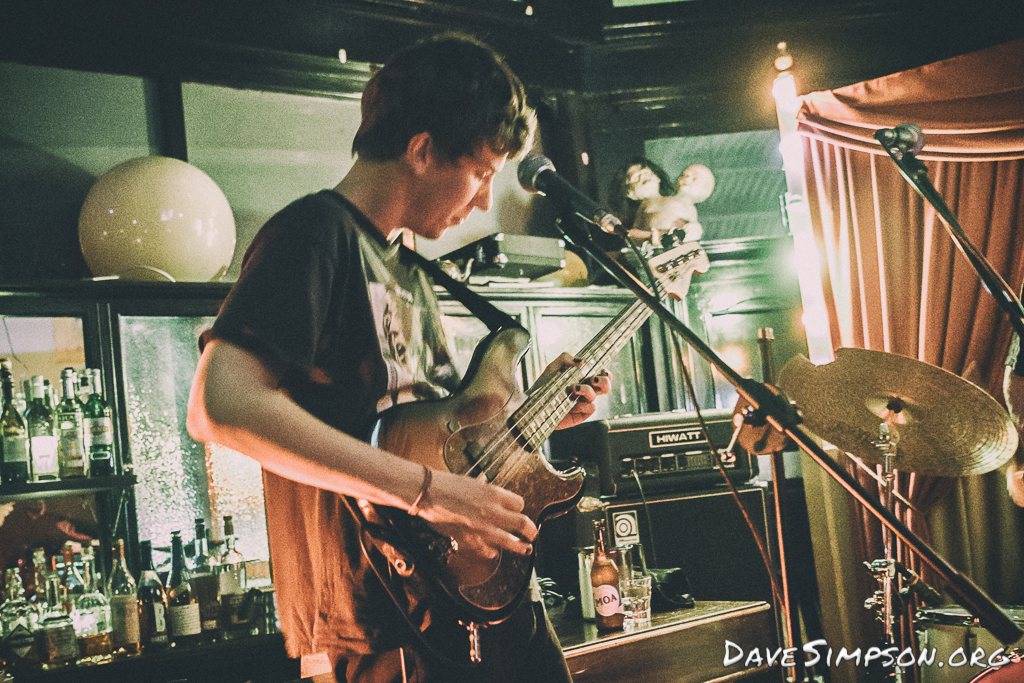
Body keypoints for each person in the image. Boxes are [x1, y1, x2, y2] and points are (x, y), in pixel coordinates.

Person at [186, 33, 611, 683]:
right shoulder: (314, 232)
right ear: (422, 149)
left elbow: (425, 433)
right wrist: (427, 492)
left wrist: (533, 423)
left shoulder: (408, 265)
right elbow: (222, 405)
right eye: (481, 174)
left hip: (473, 599)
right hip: (384, 615)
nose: (481, 200)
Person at [630, 164, 715, 249]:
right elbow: (634, 232)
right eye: (683, 175)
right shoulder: (649, 203)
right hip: (654, 247)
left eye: (695, 178)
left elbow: (694, 228)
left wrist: (695, 229)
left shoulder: (689, 207)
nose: (687, 178)